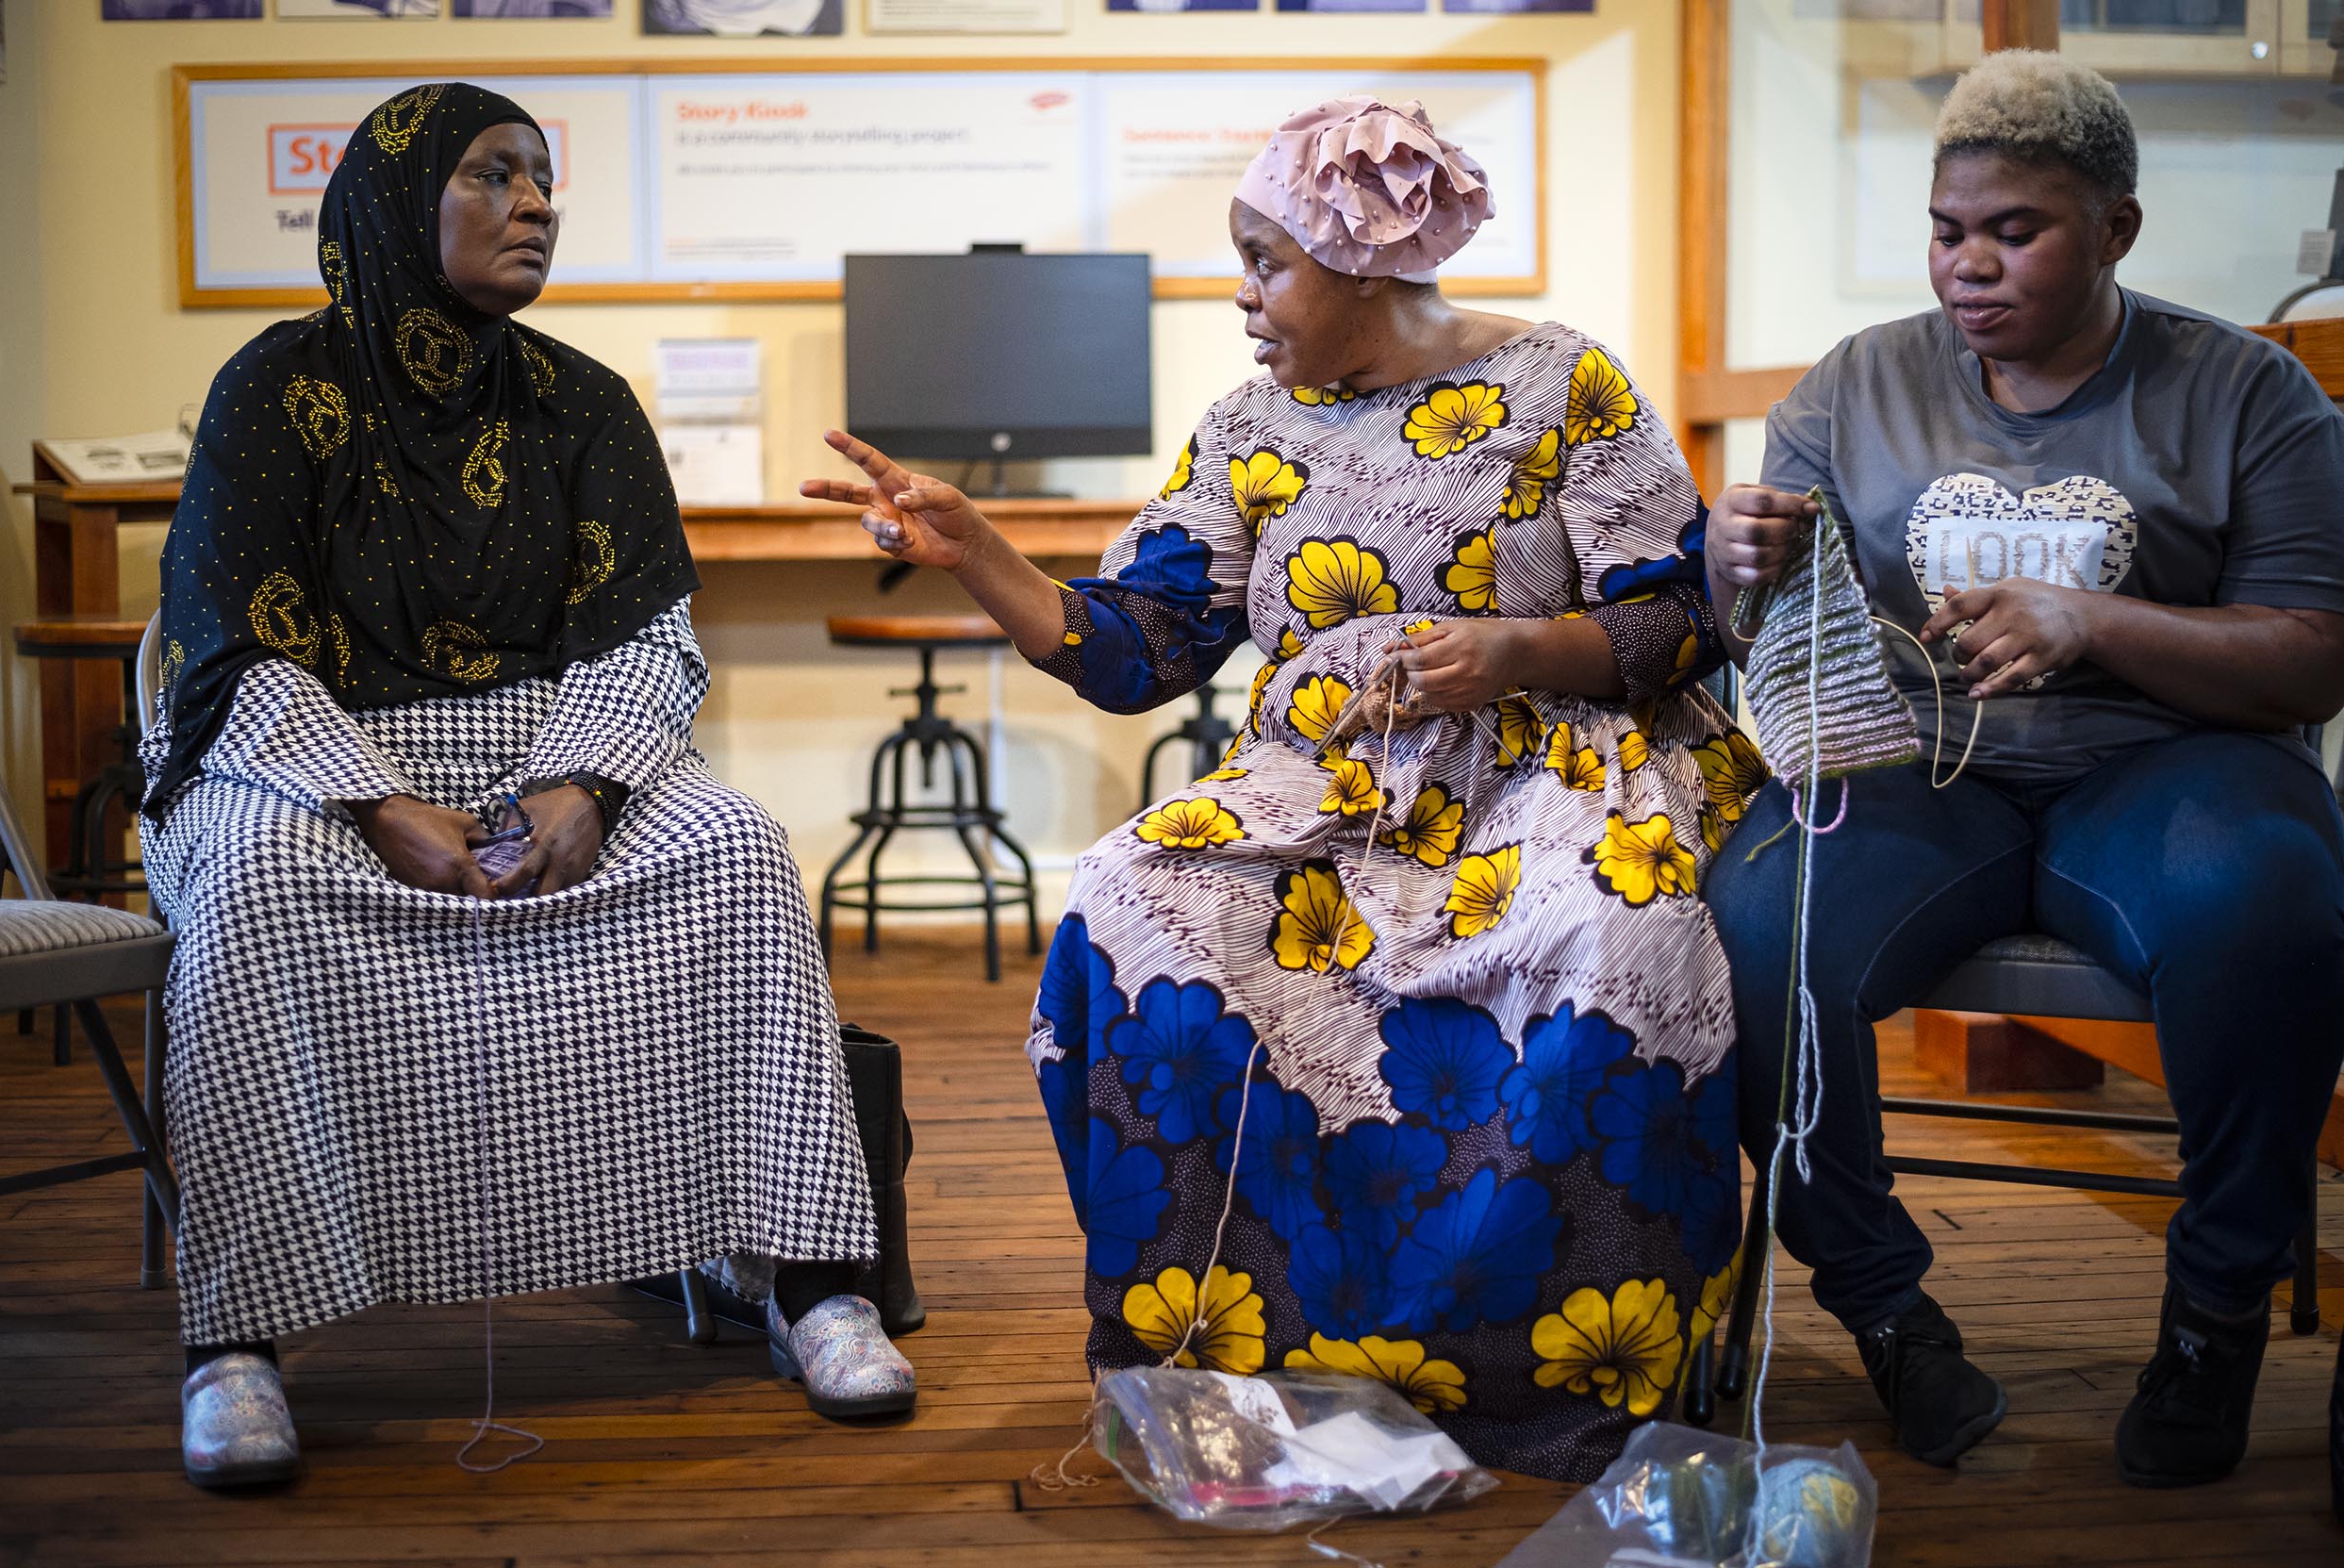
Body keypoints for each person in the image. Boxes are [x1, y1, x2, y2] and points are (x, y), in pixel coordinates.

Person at [807, 97, 1756, 1481]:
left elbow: (1680, 619)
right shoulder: (1253, 422)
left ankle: (1540, 1365)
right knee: (1137, 891)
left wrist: (1515, 652)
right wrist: (980, 553)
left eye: (1266, 261)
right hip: (1321, 790)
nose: (1243, 295)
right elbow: (1138, 648)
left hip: (1552, 776)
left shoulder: (1567, 384)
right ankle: (1234, 1353)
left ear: (1364, 255)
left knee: (1614, 939)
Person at [143, 83, 912, 1490]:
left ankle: (808, 1280)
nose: (536, 205)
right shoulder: (274, 388)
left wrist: (588, 789)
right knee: (251, 885)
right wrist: (376, 805)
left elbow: (645, 636)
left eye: (543, 181)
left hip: (551, 752)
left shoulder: (583, 403)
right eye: (494, 176)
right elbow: (228, 637)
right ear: (394, 200)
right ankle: (237, 1340)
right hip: (314, 762)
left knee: (738, 847)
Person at [1703, 52, 2344, 1487]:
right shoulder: (1858, 385)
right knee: (1755, 919)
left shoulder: (2250, 392)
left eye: (2018, 230)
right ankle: (1885, 1309)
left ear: (2116, 228)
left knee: (2269, 904)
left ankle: (2215, 1312)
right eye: (1949, 229)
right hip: (1925, 767)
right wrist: (1731, 566)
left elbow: (2314, 658)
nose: (1971, 265)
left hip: (2174, 765)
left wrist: (2092, 620)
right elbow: (1752, 632)